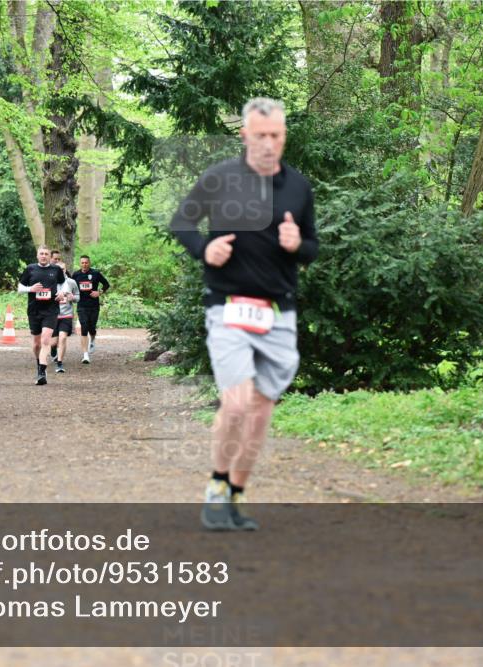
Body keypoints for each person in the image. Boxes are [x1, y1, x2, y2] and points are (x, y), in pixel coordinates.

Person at [171, 97, 318, 531]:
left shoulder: (299, 187)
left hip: (279, 312)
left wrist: (297, 245)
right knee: (236, 403)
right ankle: (216, 488)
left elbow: (312, 247)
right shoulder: (220, 178)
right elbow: (182, 223)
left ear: (284, 136)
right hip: (228, 307)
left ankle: (235, 494)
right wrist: (205, 250)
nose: (269, 144)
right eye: (261, 136)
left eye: (276, 136)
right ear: (245, 135)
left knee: (261, 412)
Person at [18, 245, 69, 385]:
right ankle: (39, 362)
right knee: (36, 344)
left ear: (49, 256)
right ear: (37, 255)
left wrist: (62, 293)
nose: (44, 256)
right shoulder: (30, 269)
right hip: (34, 310)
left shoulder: (56, 269)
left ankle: (42, 372)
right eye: (41, 253)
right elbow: (20, 287)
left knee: (45, 341)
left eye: (46, 254)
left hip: (51, 310)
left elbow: (64, 284)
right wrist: (31, 289)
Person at [72, 255, 110, 364]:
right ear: (80, 263)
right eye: (82, 263)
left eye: (86, 262)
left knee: (91, 328)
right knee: (84, 327)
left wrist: (99, 292)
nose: (84, 264)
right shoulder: (76, 275)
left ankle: (92, 339)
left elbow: (106, 284)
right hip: (81, 305)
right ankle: (85, 355)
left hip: (94, 305)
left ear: (89, 263)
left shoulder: (95, 274)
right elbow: (71, 286)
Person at [53, 260, 80, 373]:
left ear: (65, 270)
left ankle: (59, 364)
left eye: (62, 269)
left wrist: (72, 298)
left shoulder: (71, 282)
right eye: (58, 270)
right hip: (52, 316)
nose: (60, 272)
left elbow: (78, 297)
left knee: (63, 338)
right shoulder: (50, 282)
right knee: (53, 342)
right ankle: (52, 349)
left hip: (66, 315)